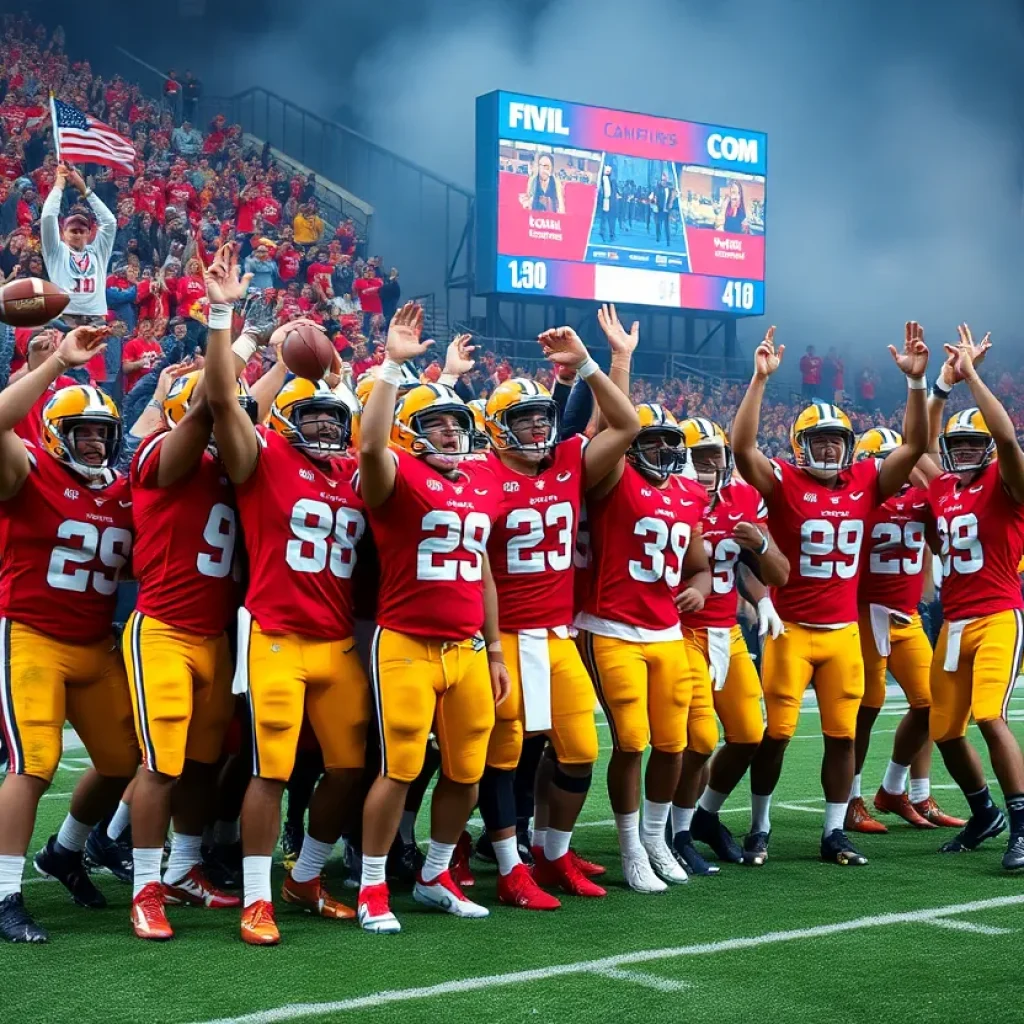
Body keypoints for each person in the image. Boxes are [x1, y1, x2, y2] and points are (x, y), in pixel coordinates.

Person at [204, 245, 369, 945]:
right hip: (274, 633)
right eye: (316, 417)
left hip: (335, 641)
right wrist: (222, 316)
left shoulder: (354, 469)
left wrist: (362, 378)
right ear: (287, 420)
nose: (328, 426)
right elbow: (222, 400)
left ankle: (306, 872)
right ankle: (256, 895)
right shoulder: (263, 458)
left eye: (336, 418)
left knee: (349, 766)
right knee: (270, 769)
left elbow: (380, 434)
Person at [730, 322, 929, 868]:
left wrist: (916, 384)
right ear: (799, 445)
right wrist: (758, 380)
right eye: (816, 440)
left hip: (843, 634)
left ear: (847, 446)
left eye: (834, 440)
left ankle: (834, 831)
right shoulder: (785, 482)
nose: (826, 448)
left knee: (843, 738)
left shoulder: (867, 481)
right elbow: (742, 447)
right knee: (776, 735)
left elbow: (913, 445)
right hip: (791, 629)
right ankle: (760, 823)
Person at [477, 305, 640, 909]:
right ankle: (507, 863)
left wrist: (596, 363)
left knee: (579, 750)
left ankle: (551, 850)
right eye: (521, 421)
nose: (536, 429)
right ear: (498, 428)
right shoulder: (479, 474)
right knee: (504, 753)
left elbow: (623, 426)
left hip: (557, 634)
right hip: (503, 638)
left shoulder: (568, 462)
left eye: (541, 417)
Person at [356, 302, 509, 934]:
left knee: (467, 772)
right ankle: (370, 886)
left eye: (456, 423)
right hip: (406, 641)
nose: (452, 432)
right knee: (400, 768)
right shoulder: (396, 473)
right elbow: (369, 443)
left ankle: (435, 873)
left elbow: (482, 568)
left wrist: (496, 648)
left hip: (467, 646)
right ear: (413, 432)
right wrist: (393, 365)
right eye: (439, 425)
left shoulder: (480, 480)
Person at [0, 326, 139, 944]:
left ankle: (64, 851)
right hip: (32, 635)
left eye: (101, 434)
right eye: (81, 431)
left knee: (125, 759)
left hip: (94, 644)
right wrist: (53, 362)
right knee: (34, 763)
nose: (92, 441)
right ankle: (4, 894)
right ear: (56, 435)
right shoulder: (27, 473)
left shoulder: (121, 492)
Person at [123, 368, 252, 940]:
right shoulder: (164, 456)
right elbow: (206, 413)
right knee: (162, 764)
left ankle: (182, 869)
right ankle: (145, 890)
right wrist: (214, 383)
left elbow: (244, 408)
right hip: (164, 631)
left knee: (204, 761)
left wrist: (260, 363)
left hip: (214, 638)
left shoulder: (239, 469)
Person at [576, 399, 712, 891]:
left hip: (666, 630)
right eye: (650, 439)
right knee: (631, 741)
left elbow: (699, 564)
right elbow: (613, 429)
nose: (661, 448)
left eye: (670, 441)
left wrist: (700, 584)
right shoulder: (613, 478)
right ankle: (630, 846)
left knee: (673, 743)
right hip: (610, 625)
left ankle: (656, 838)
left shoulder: (690, 493)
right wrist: (619, 361)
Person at [670, 417, 789, 872]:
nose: (704, 467)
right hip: (679, 630)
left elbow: (772, 572)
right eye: (695, 457)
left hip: (727, 630)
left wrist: (762, 586)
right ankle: (676, 832)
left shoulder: (742, 498)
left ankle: (702, 817)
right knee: (697, 739)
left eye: (711, 457)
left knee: (748, 735)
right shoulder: (672, 500)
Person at [925, 325, 1024, 869]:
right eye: (956, 444)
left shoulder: (1006, 481)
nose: (963, 451)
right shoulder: (942, 486)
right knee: (944, 730)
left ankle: (1023, 824)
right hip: (954, 621)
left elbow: (1007, 439)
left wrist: (974, 377)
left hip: (997, 615)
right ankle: (985, 813)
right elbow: (919, 440)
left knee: (990, 715)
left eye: (972, 444)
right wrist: (941, 382)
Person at [844, 427, 964, 835]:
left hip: (906, 615)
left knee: (931, 703)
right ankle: (849, 798)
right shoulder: (858, 499)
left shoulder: (920, 501)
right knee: (866, 707)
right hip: (864, 613)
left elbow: (941, 537)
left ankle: (902, 790)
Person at [40, 163, 116, 323]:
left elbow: (110, 222)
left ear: (89, 233)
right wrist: (59, 186)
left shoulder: (98, 252)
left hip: (95, 319)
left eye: (82, 231)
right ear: (63, 233)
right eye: (73, 230)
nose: (78, 234)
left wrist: (84, 189)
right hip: (65, 317)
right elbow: (48, 217)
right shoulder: (56, 251)